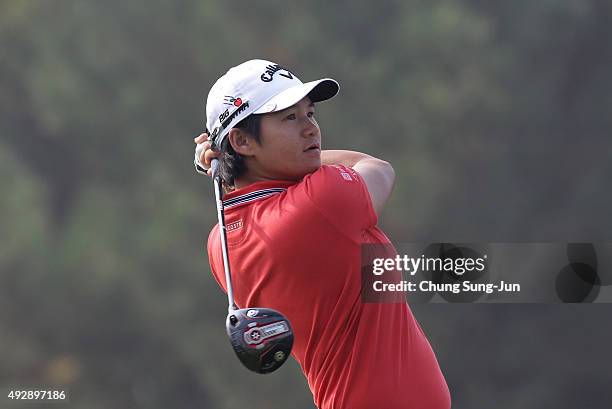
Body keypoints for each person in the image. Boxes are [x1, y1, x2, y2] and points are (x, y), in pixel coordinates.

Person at [194, 59, 450, 409]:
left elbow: (252, 196)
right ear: (243, 140)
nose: (311, 129)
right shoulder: (321, 202)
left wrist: (228, 164)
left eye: (309, 113)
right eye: (289, 117)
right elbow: (377, 168)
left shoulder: (218, 243)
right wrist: (227, 164)